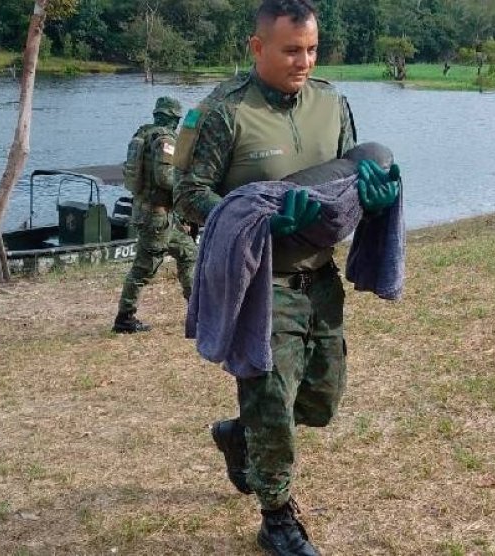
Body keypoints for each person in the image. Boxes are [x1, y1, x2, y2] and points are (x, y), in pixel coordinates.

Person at [173, 1, 401, 554]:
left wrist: (375, 195)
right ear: (257, 48)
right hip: (261, 286)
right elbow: (186, 196)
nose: (303, 61)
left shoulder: (332, 102)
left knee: (321, 402)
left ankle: (240, 433)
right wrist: (256, 217)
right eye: (290, 50)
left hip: (320, 280)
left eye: (311, 49)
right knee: (274, 406)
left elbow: (348, 175)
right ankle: (277, 519)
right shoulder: (223, 112)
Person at [112, 96, 198, 334]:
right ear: (173, 118)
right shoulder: (165, 139)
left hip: (149, 212)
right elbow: (164, 178)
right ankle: (124, 318)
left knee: (189, 254)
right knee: (143, 268)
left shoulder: (142, 135)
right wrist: (188, 184)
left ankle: (198, 312)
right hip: (158, 217)